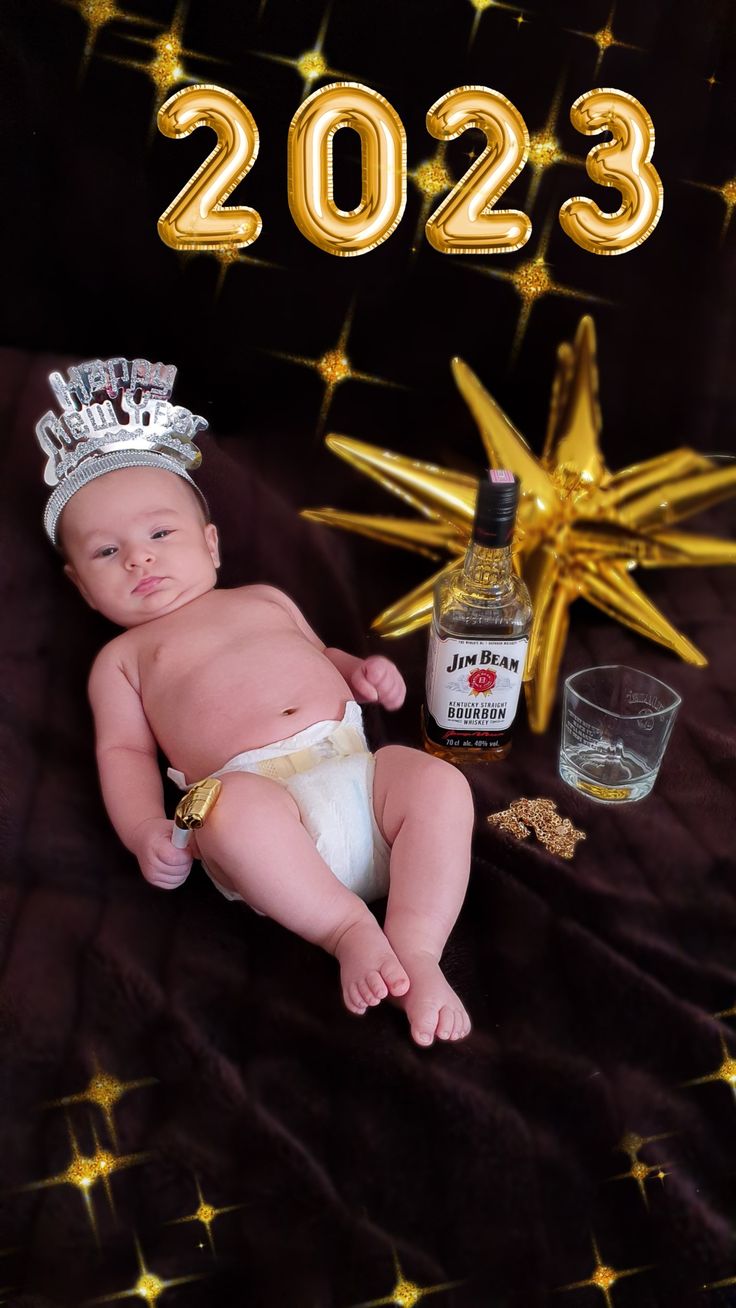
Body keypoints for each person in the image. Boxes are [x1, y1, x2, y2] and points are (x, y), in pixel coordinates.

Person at [37, 358, 474, 1047]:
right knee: (226, 811)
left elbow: (320, 656)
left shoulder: (265, 599)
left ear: (211, 545)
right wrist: (144, 829)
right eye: (106, 552)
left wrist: (363, 672)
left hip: (360, 778)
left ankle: (416, 948)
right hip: (263, 825)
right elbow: (121, 752)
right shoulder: (121, 660)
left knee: (439, 783)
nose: (139, 560)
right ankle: (348, 933)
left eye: (159, 534)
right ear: (80, 586)